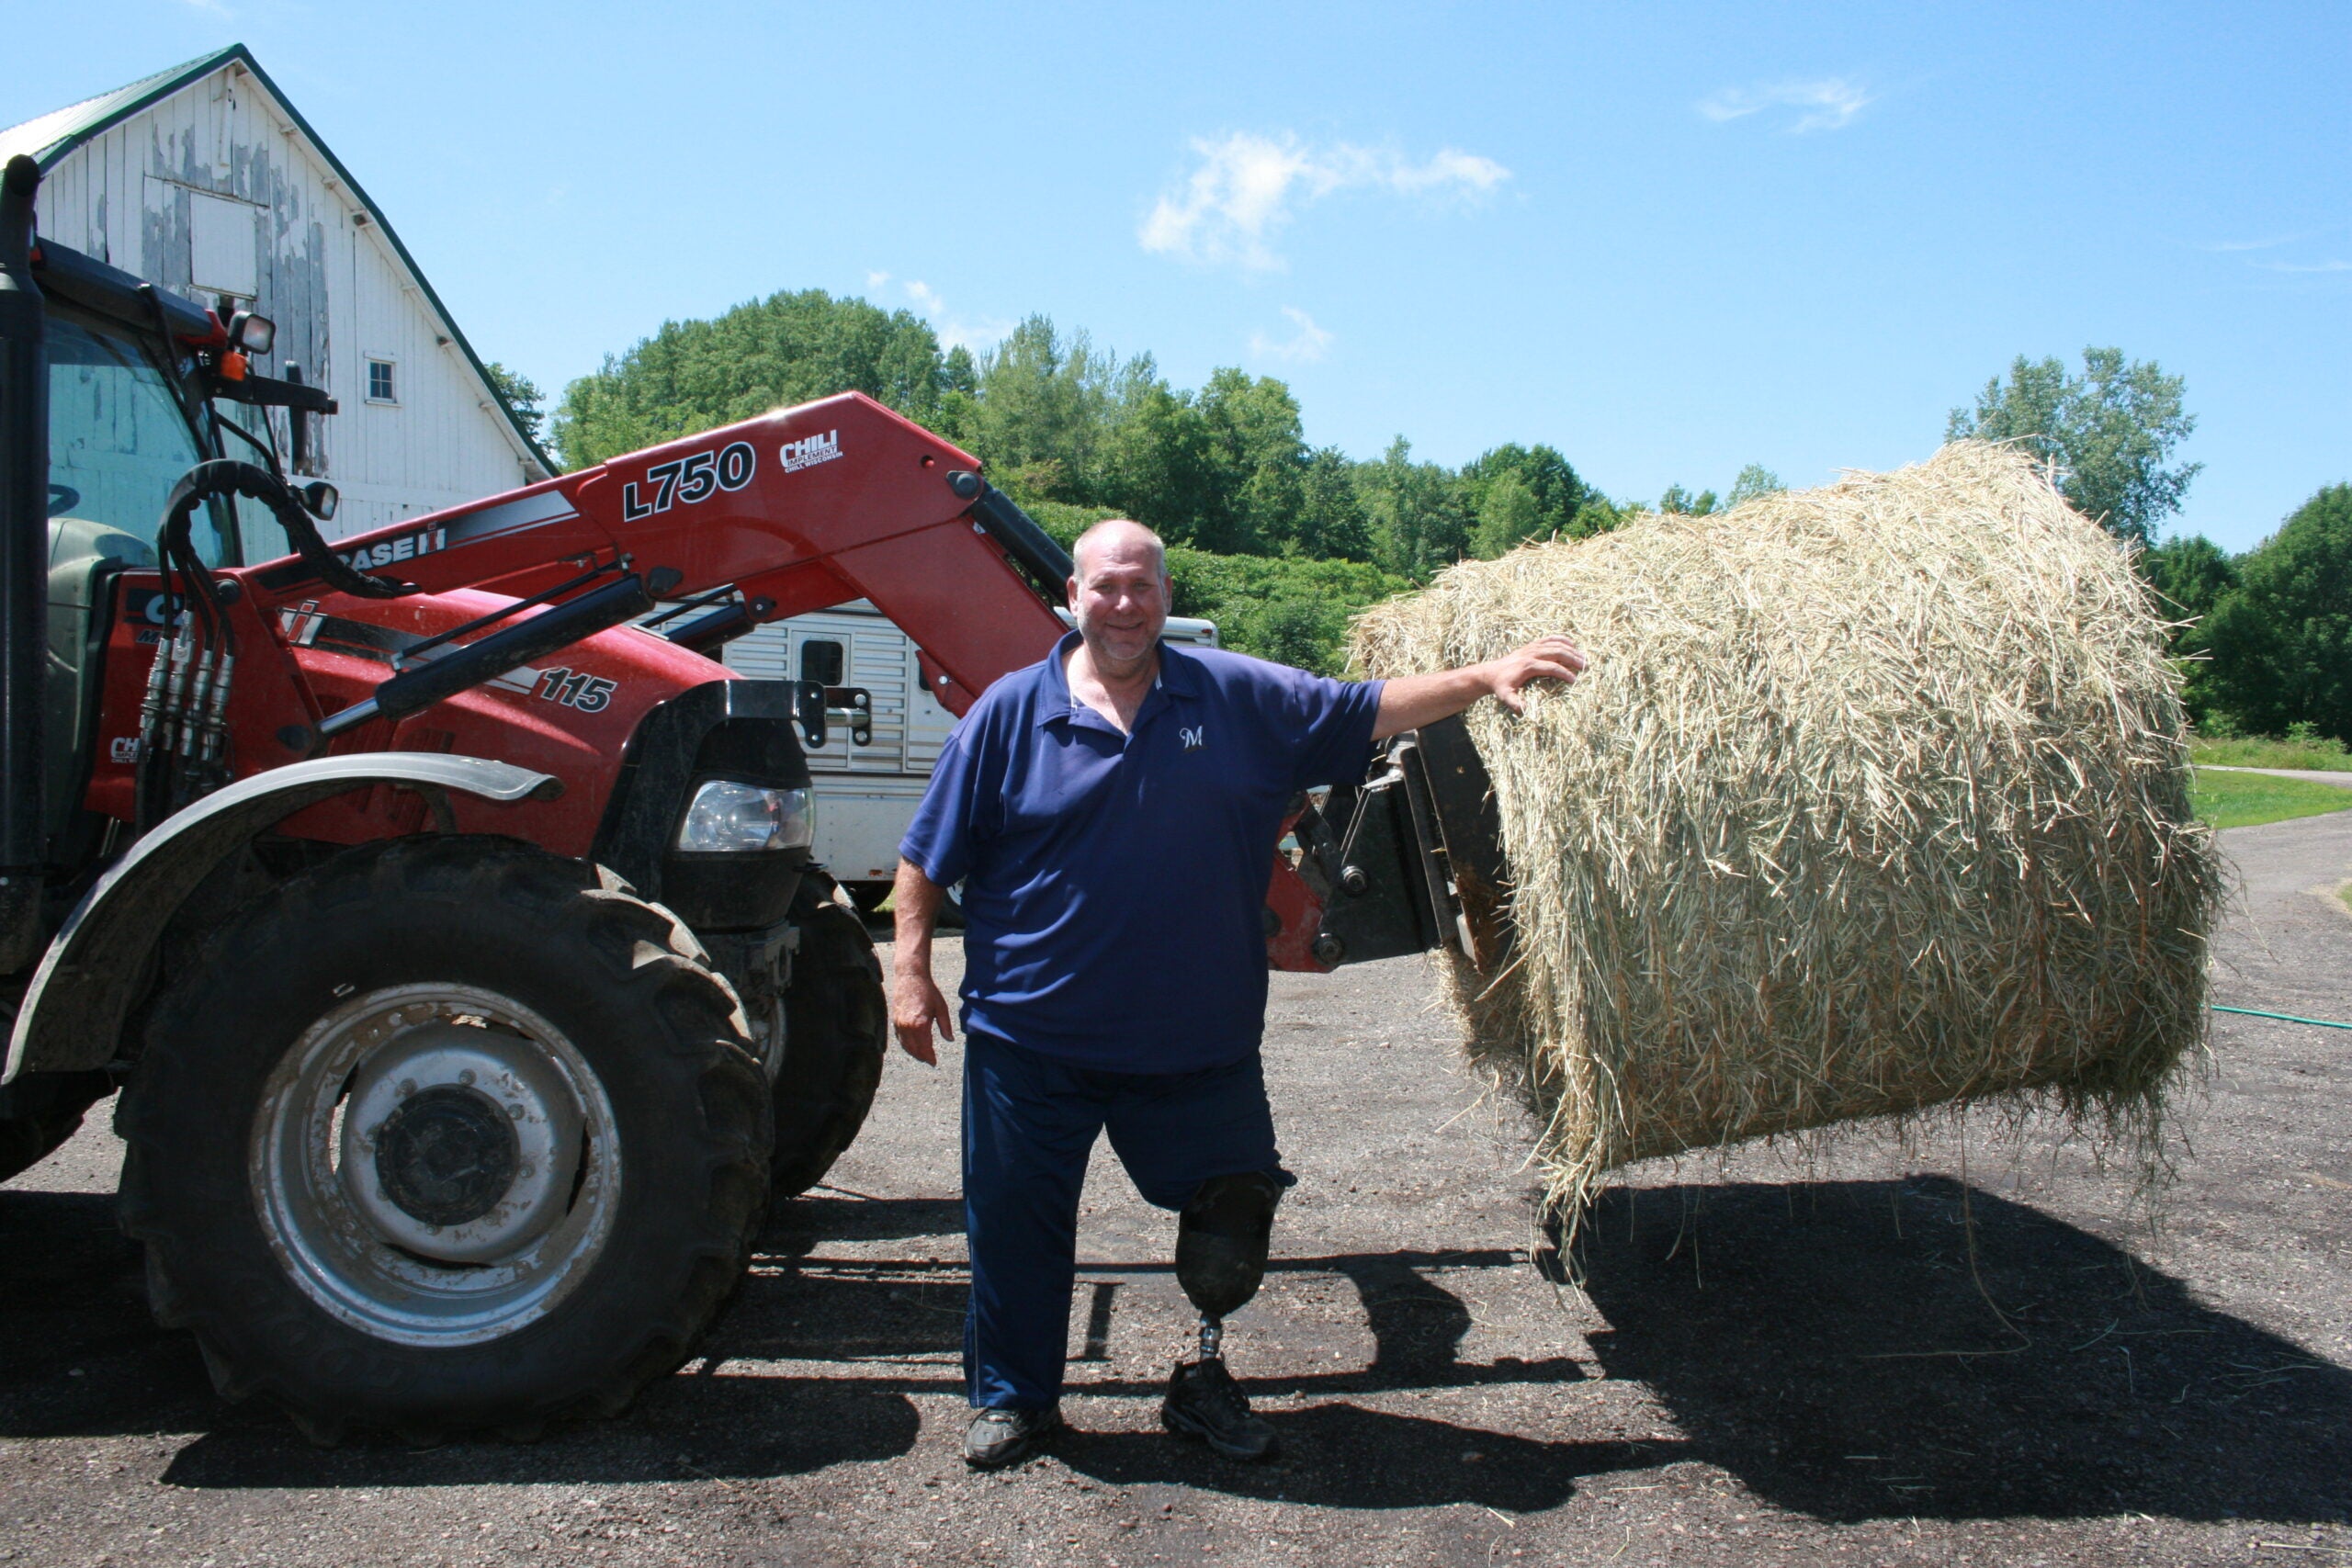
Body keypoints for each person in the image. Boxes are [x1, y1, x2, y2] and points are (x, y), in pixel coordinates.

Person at [891, 518, 1587, 1471]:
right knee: (1014, 1227)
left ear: (1165, 598)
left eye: (1141, 587)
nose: (1124, 605)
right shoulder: (1010, 714)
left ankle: (1202, 1379)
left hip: (1194, 1043)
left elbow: (1368, 708)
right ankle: (1016, 1402)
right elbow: (927, 853)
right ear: (1071, 598)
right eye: (1104, 587)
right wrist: (908, 966)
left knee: (1232, 1213)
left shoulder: (1238, 697)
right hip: (1031, 1038)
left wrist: (1482, 675)